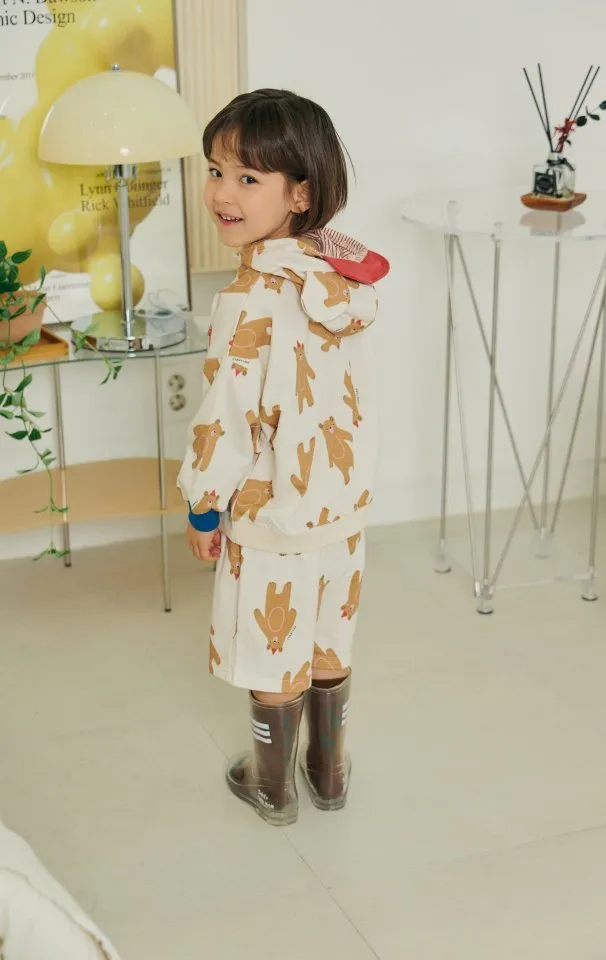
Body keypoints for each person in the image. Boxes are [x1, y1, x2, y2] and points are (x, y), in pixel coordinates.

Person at [177, 88, 389, 826]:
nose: (221, 194)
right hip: (341, 503)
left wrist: (205, 503)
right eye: (215, 171)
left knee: (274, 645)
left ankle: (272, 785)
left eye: (248, 177)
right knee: (330, 634)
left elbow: (227, 418)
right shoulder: (342, 282)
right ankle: (328, 770)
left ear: (300, 193)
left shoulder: (248, 298)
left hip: (273, 512)